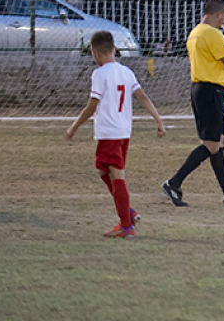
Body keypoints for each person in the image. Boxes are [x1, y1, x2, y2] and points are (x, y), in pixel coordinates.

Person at [67, 31, 166, 238]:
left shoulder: (99, 74)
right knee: (104, 170)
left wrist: (74, 126)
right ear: (114, 49)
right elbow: (142, 97)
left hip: (109, 132)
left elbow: (92, 105)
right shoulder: (126, 72)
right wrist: (158, 119)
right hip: (122, 131)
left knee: (116, 176)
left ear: (95, 53)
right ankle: (128, 212)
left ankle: (126, 225)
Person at [161, 0, 224, 206]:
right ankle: (173, 183)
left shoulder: (195, 32)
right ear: (219, 14)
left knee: (219, 143)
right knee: (211, 144)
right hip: (210, 91)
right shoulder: (212, 33)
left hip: (204, 90)